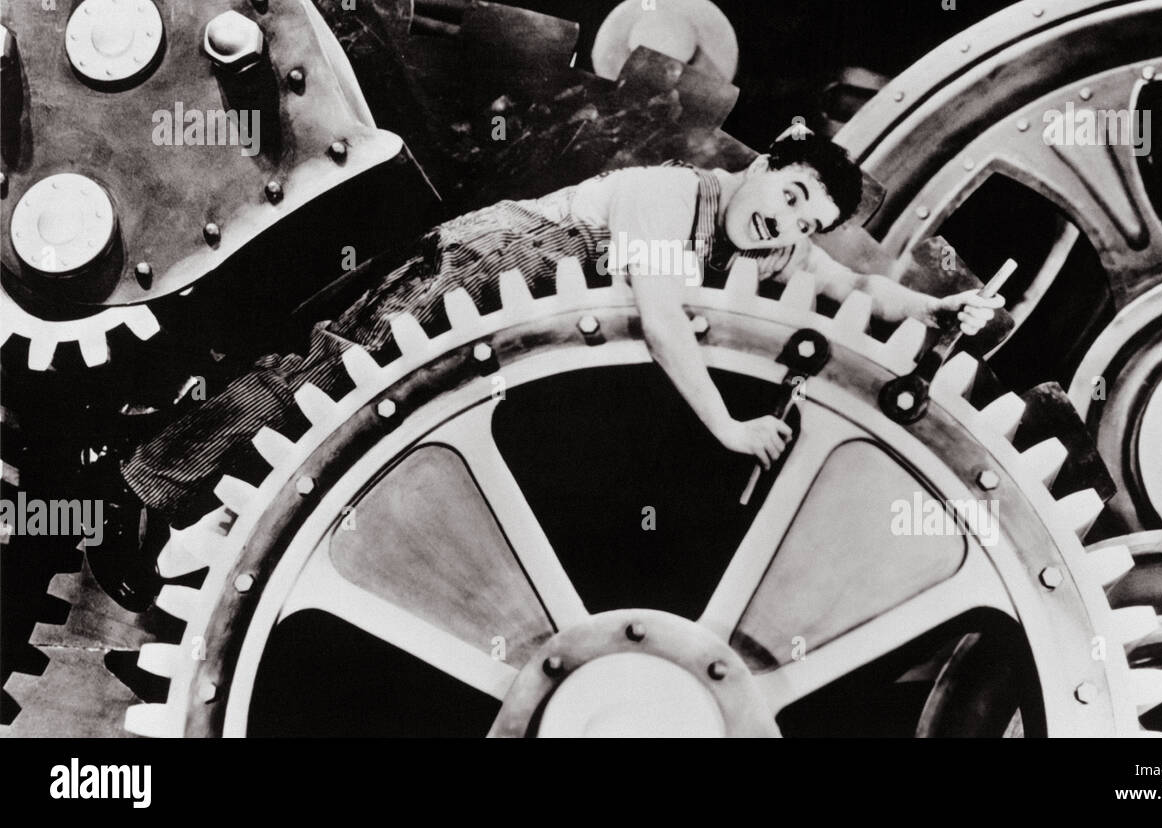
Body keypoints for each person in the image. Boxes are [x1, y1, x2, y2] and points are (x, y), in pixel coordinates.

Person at [87, 132, 1003, 607]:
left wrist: (936, 309)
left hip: (509, 317)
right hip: (486, 267)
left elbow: (856, 286)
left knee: (340, 418)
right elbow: (660, 313)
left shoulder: (770, 244)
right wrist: (725, 425)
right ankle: (143, 484)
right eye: (792, 195)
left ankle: (186, 501)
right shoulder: (678, 193)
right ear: (764, 167)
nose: (790, 224)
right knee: (324, 386)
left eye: (809, 221)